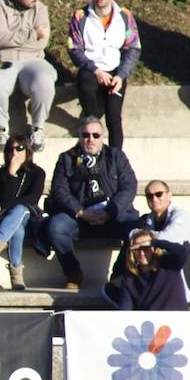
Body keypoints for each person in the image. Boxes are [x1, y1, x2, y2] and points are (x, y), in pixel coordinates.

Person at [44, 116, 138, 289]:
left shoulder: (116, 156)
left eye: (96, 135)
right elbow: (59, 190)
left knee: (136, 228)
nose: (90, 139)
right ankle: (73, 273)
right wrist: (80, 212)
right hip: (80, 217)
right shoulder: (66, 159)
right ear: (79, 136)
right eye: (85, 135)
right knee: (56, 226)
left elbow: (129, 186)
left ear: (103, 137)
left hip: (112, 215)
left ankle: (118, 275)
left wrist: (110, 211)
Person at [67, 0, 142, 150]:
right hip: (91, 71)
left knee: (114, 118)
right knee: (91, 118)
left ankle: (117, 160)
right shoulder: (80, 16)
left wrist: (121, 75)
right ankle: (89, 153)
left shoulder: (125, 16)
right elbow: (74, 48)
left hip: (115, 72)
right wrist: (95, 70)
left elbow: (133, 48)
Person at [0, 0, 57, 153]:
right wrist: (31, 34)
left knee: (45, 81)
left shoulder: (40, 8)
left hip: (33, 59)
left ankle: (38, 128)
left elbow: (43, 41)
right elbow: (0, 39)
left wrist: (13, 39)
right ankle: (1, 128)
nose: (35, 0)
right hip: (3, 59)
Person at [102, 180, 190, 306]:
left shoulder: (181, 216)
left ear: (169, 195)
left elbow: (168, 238)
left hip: (175, 278)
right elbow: (130, 246)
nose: (154, 198)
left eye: (159, 194)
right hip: (151, 279)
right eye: (149, 196)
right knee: (131, 246)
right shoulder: (144, 221)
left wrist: (141, 238)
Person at [0, 134, 45, 291]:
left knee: (21, 209)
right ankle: (17, 276)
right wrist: (11, 174)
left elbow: (33, 199)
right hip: (8, 220)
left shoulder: (38, 173)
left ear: (27, 151)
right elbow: (7, 198)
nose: (14, 153)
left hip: (30, 219)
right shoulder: (0, 174)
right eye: (10, 149)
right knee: (17, 228)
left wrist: (3, 205)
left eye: (19, 148)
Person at [118, 230, 190, 311]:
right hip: (151, 322)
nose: (142, 253)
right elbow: (125, 309)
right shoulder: (129, 279)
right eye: (137, 249)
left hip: (176, 319)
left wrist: (155, 242)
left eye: (145, 248)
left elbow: (182, 251)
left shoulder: (170, 264)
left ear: (154, 248)